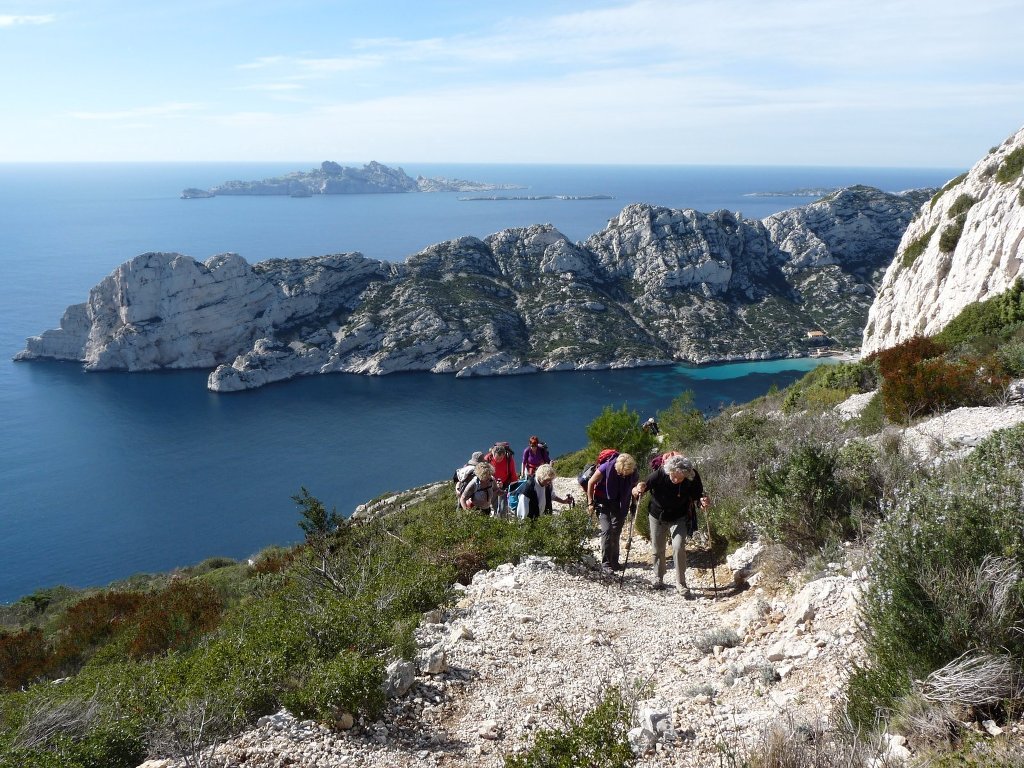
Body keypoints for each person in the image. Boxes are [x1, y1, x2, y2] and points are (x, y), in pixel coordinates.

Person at [632, 455, 708, 598]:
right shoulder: (661, 473)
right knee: (658, 548)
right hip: (657, 515)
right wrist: (638, 489)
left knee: (679, 547)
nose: (676, 480)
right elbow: (643, 487)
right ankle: (659, 577)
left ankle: (681, 583)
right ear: (670, 471)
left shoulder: (692, 477)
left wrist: (702, 502)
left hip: (679, 516)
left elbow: (698, 495)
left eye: (680, 478)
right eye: (674, 476)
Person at [586, 452, 639, 572]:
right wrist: (590, 503)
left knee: (616, 532)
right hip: (603, 502)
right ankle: (606, 564)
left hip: (621, 504)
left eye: (626, 474)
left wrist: (634, 503)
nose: (623, 476)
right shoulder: (606, 467)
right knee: (607, 531)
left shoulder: (633, 472)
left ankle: (614, 561)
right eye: (621, 473)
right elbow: (590, 483)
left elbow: (634, 487)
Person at [485, 442, 519, 518]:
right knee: (495, 506)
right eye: (496, 458)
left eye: (501, 458)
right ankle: (497, 522)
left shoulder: (509, 459)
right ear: (493, 453)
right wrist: (493, 483)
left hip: (504, 485)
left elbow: (513, 474)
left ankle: (502, 523)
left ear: (504, 454)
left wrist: (513, 489)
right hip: (491, 486)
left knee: (503, 507)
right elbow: (483, 475)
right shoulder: (487, 459)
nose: (499, 460)